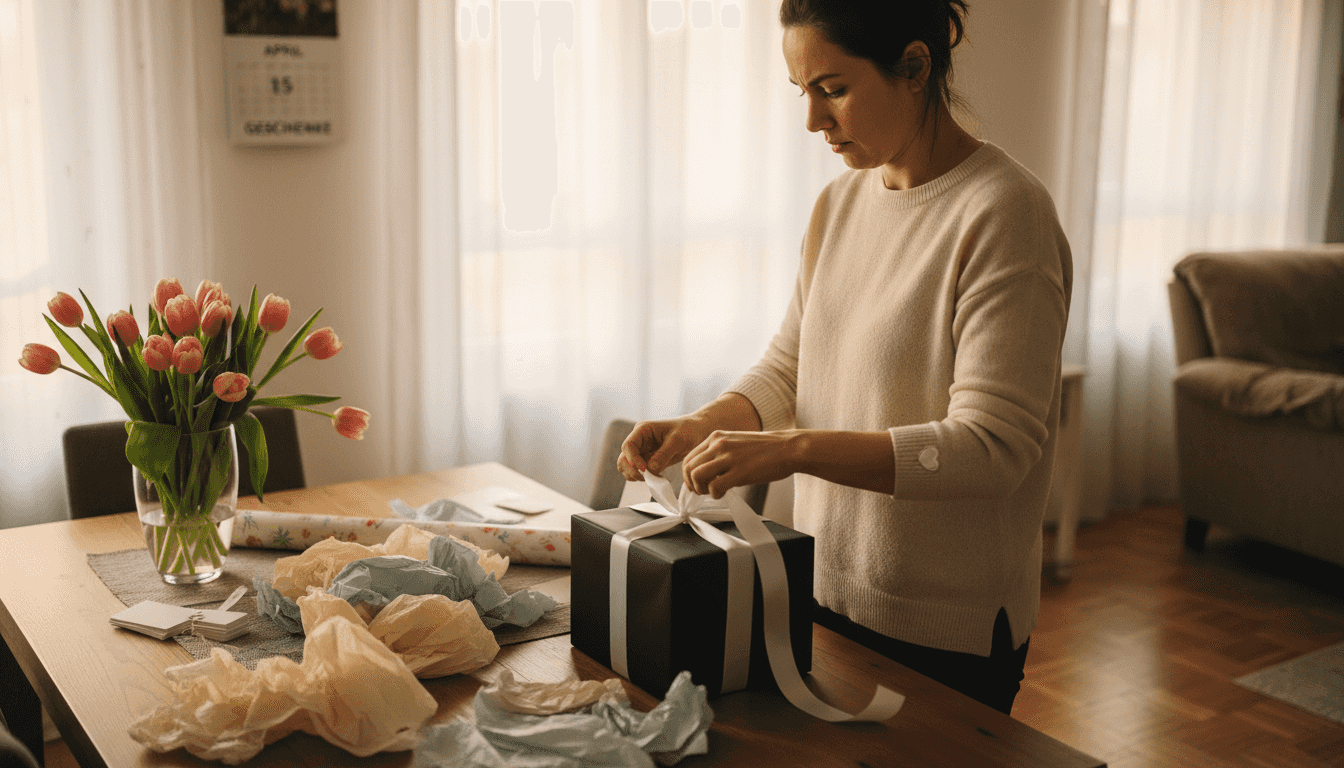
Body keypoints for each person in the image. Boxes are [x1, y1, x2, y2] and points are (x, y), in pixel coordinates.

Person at [617, 0, 1071, 716]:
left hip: (944, 632)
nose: (812, 122)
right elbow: (790, 368)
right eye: (803, 92)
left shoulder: (1006, 215)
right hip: (821, 589)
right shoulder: (839, 204)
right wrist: (701, 424)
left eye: (833, 89)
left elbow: (992, 450)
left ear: (915, 66)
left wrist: (792, 450)